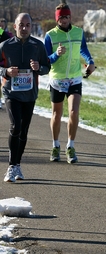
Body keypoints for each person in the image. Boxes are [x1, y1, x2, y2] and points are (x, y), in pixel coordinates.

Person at [0, 13, 51, 182]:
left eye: (27, 25)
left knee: (24, 131)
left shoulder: (38, 46)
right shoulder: (5, 46)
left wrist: (39, 68)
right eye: (21, 25)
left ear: (31, 27)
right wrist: (6, 71)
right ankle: (11, 166)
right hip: (11, 92)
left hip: (30, 94)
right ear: (15, 26)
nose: (24, 28)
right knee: (16, 125)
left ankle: (18, 165)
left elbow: (47, 67)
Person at [44, 3, 96, 163]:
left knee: (73, 111)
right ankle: (55, 145)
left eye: (66, 17)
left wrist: (90, 61)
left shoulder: (78, 32)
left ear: (70, 17)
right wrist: (56, 54)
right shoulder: (50, 35)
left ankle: (70, 146)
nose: (64, 20)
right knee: (56, 115)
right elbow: (46, 60)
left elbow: (83, 48)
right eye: (61, 18)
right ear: (57, 19)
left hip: (75, 78)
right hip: (57, 79)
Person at [0, 18, 12, 109]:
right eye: (0, 23)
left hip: (4, 63)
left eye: (3, 23)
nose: (1, 25)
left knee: (3, 84)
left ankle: (4, 99)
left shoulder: (8, 35)